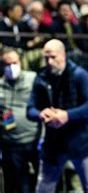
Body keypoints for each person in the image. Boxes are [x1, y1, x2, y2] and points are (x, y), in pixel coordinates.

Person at [27, 39, 88, 192]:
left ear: (64, 55)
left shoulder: (79, 74)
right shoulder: (41, 78)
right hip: (53, 142)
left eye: (53, 57)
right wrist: (42, 114)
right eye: (46, 58)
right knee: (44, 189)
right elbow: (30, 109)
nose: (49, 61)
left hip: (80, 141)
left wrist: (67, 115)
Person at [0, 48, 40, 193]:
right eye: (7, 64)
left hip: (35, 141)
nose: (11, 67)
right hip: (11, 143)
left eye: (14, 62)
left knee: (41, 183)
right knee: (20, 186)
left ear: (20, 61)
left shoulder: (33, 78)